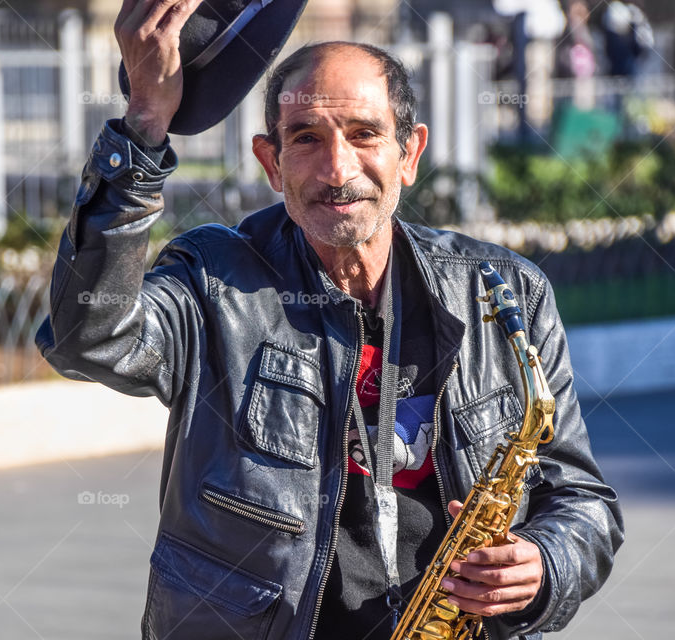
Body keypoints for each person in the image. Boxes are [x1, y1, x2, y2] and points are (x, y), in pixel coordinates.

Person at [35, 2, 624, 638]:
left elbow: (581, 502)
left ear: (410, 152)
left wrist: (544, 564)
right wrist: (145, 125)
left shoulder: (508, 293)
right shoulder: (212, 279)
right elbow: (86, 339)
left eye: (365, 134)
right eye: (307, 138)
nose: (338, 170)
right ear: (272, 163)